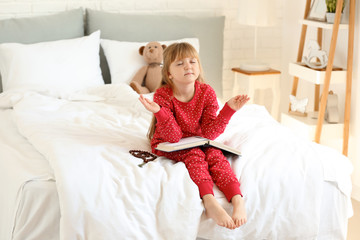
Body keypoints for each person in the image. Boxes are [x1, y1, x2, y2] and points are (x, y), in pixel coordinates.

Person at [138, 42, 249, 229]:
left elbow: (209, 133)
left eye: (192, 61)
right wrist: (160, 112)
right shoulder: (163, 95)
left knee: (216, 156)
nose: (188, 66)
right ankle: (209, 201)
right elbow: (173, 137)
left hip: (198, 140)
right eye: (180, 63)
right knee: (194, 156)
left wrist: (229, 110)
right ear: (169, 73)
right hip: (168, 143)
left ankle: (237, 200)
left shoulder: (206, 92)